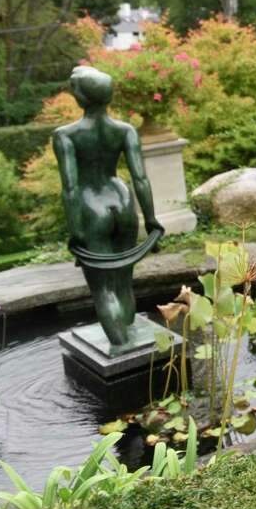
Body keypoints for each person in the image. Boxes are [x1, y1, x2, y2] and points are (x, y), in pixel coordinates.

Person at [54, 66, 164, 350]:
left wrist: (76, 230)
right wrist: (151, 219)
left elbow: (71, 188)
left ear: (81, 98)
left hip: (92, 207)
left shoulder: (66, 135)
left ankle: (122, 346)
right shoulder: (125, 130)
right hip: (123, 200)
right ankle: (129, 333)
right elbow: (140, 178)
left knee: (103, 288)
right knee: (124, 279)